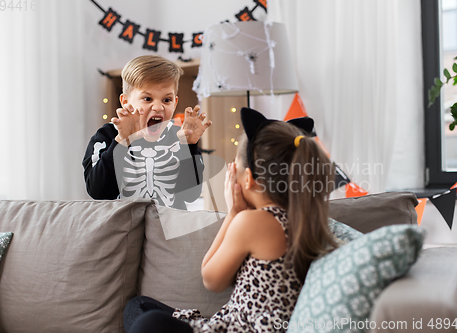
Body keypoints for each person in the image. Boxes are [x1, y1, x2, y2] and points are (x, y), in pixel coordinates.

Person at [123, 108, 339, 333]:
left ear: (248, 179)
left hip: (235, 329)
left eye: (234, 165)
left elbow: (211, 279)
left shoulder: (252, 222)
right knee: (140, 306)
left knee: (145, 317)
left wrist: (234, 212)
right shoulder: (309, 221)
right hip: (240, 325)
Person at [82, 55, 211, 209]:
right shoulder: (107, 136)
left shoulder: (179, 137)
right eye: (147, 99)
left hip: (169, 228)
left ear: (175, 102)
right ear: (125, 102)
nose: (158, 107)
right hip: (123, 229)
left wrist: (189, 146)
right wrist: (122, 140)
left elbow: (190, 195)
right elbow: (98, 191)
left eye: (166, 100)